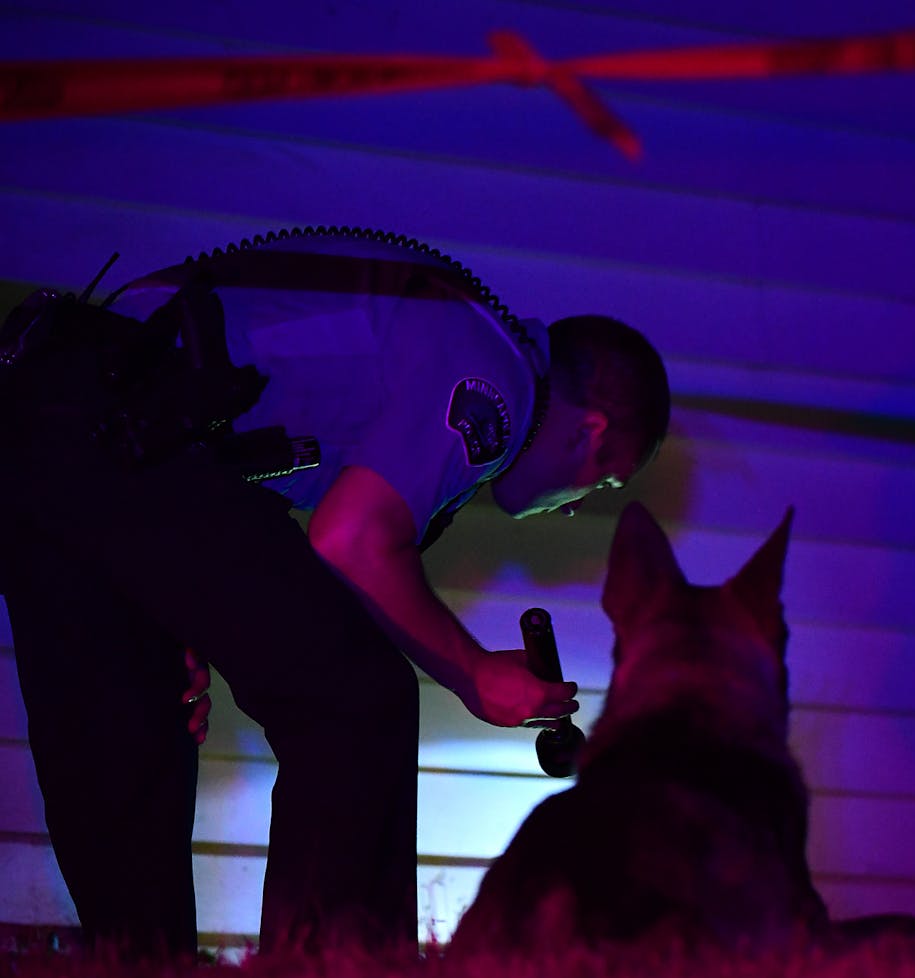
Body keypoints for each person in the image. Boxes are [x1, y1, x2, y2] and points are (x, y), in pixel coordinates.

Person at [0, 227, 671, 958]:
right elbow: (351, 537)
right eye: (602, 482)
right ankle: (331, 968)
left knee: (123, 737)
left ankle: (137, 966)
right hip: (126, 419)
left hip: (47, 412)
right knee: (360, 701)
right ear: (589, 430)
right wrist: (472, 671)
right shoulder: (497, 380)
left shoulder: (442, 329)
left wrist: (176, 604)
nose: (575, 507)